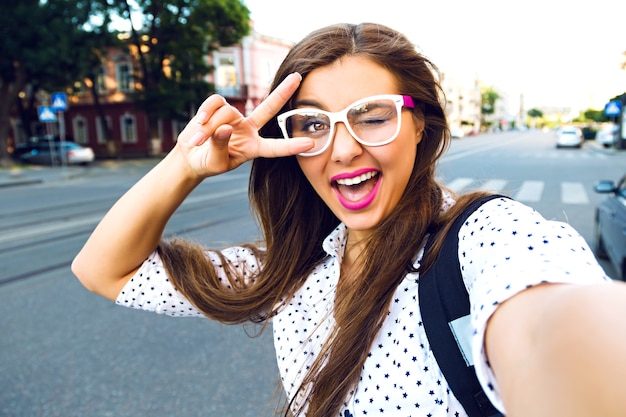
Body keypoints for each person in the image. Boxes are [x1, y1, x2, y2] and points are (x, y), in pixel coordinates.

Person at [72, 22, 626, 417]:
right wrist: (184, 165)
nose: (342, 151)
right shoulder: (286, 273)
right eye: (313, 124)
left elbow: (554, 325)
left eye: (372, 117)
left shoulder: (481, 240)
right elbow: (104, 270)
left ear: (420, 126)